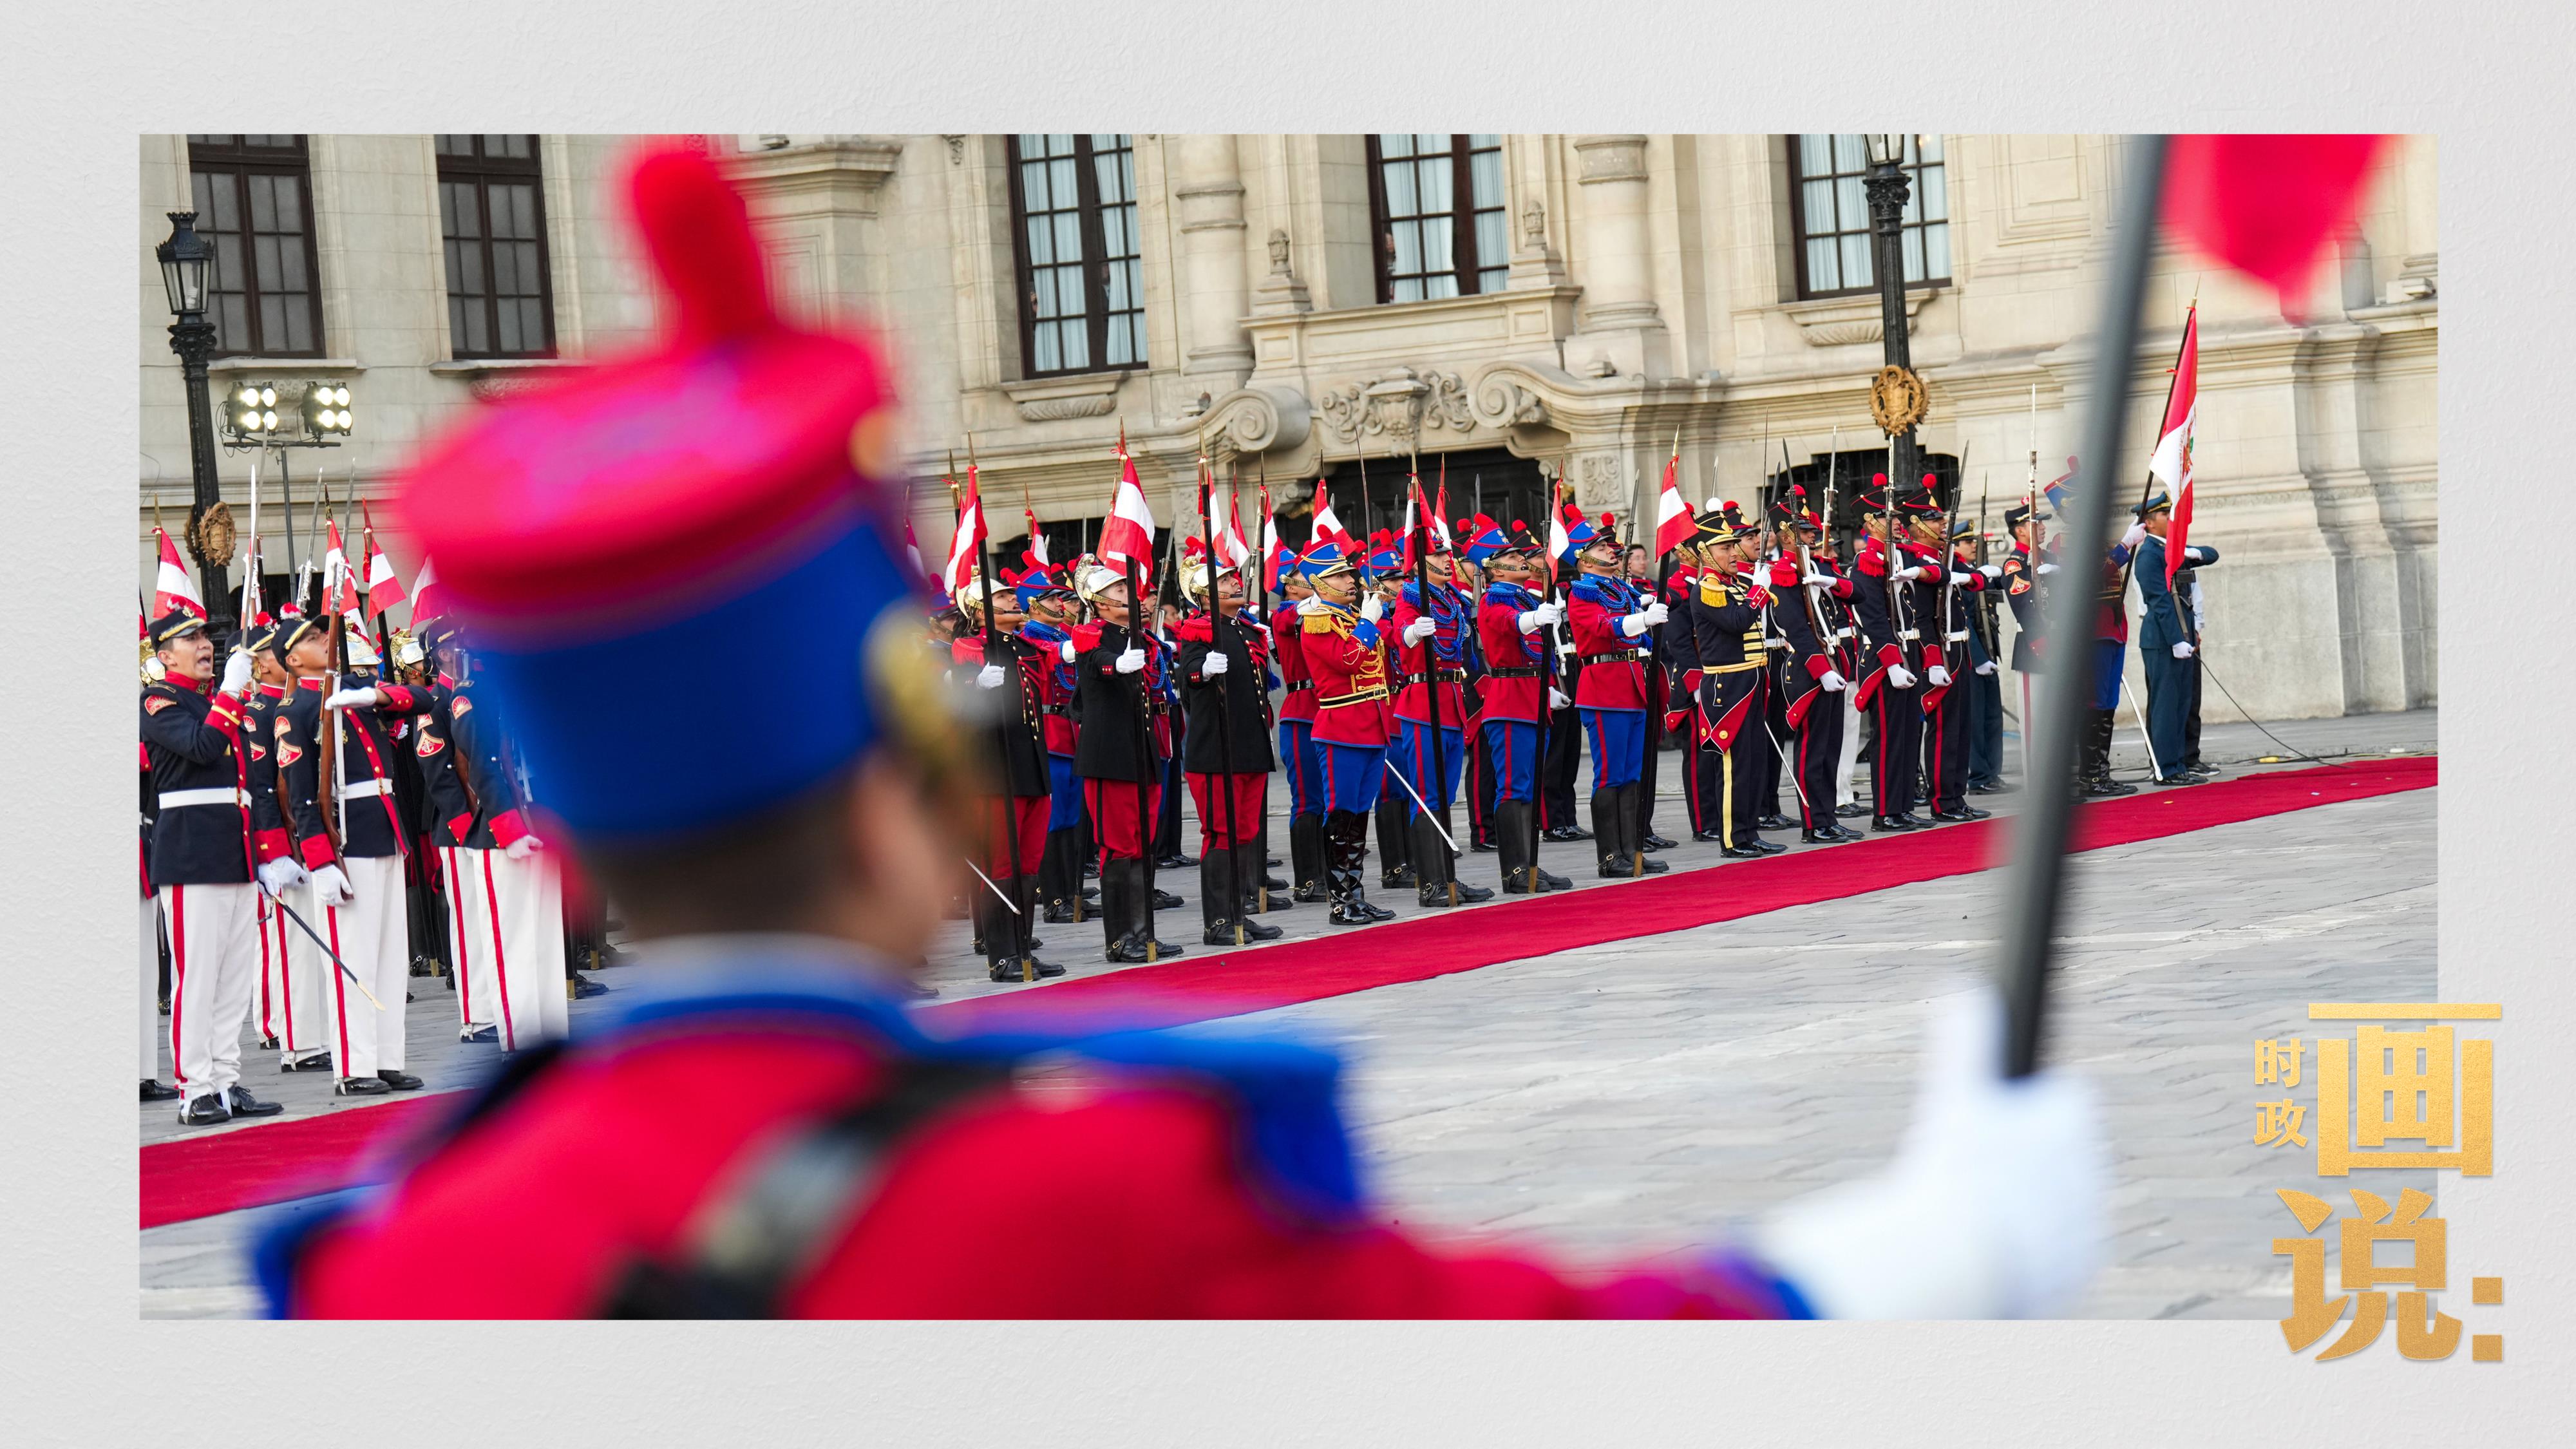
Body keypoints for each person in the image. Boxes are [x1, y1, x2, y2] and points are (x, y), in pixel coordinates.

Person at [265, 150, 2105, 1320]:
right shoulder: (1099, 1193)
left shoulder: (387, 1267)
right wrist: (1951, 1236)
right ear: (906, 796)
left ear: (571, 840)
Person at [276, 615, 435, 1094]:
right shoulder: (297, 708)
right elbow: (302, 794)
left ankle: (386, 1057)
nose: (323, 640)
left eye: (323, 633)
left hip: (385, 831)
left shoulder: (354, 690)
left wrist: (376, 696)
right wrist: (320, 859)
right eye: (310, 638)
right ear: (292, 659)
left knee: (389, 956)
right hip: (347, 839)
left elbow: (425, 697)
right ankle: (354, 1066)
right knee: (354, 958)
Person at [141, 609, 287, 1124]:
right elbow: (202, 748)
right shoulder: (158, 701)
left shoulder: (217, 703)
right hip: (191, 856)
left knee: (232, 979)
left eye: (205, 637)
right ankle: (194, 1089)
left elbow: (248, 786)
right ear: (164, 656)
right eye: (192, 640)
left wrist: (266, 857)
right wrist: (229, 693)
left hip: (234, 851)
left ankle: (225, 1080)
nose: (206, 646)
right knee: (197, 979)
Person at [951, 564, 1063, 980]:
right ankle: (1001, 957)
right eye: (1000, 598)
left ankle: (1024, 951)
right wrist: (974, 685)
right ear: (980, 609)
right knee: (1001, 865)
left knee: (1028, 864)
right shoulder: (969, 646)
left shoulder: (1023, 647)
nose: (1011, 601)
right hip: (995, 769)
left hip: (1030, 763)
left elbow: (1057, 668)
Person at [1173, 541, 1283, 945]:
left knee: (1243, 834)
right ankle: (1218, 920)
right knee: (1220, 833)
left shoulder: (1244, 630)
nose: (1235, 584)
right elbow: (1186, 680)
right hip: (1216, 749)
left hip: (1249, 746)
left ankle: (1239, 911)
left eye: (1234, 578)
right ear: (1204, 596)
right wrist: (1202, 669)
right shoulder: (1198, 630)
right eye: (1223, 582)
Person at [1074, 564, 1185, 963]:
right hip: (1110, 757)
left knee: (1142, 846)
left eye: (1127, 585)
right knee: (1118, 848)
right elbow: (1098, 661)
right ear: (1100, 602)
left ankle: (1144, 934)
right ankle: (1120, 939)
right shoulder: (1092, 635)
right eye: (1119, 588)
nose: (1128, 592)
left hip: (1143, 754)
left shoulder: (1138, 637)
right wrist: (1116, 664)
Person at [1388, 520, 1490, 908]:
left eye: (1447, 555)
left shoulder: (1451, 598)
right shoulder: (1412, 595)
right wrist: (1415, 631)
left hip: (1450, 698)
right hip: (1423, 699)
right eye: (1437, 555)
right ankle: (1432, 883)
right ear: (1420, 560)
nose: (1448, 561)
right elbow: (1400, 635)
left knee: (1444, 796)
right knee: (1427, 794)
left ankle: (1448, 875)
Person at [1300, 537, 1398, 925]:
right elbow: (1349, 662)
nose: (1349, 581)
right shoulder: (1318, 622)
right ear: (1320, 585)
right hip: (1342, 727)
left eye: (1347, 574)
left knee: (1359, 814)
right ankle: (1340, 901)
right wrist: (1370, 623)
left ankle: (1356, 894)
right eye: (1338, 577)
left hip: (1372, 725)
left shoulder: (1352, 617)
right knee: (1341, 814)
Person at [1564, 510, 1666, 877]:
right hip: (1605, 685)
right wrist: (1642, 619)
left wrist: (1649, 607)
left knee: (1632, 773)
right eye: (1602, 547)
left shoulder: (1620, 588)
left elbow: (1633, 611)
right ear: (1583, 556)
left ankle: (1632, 850)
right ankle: (1610, 857)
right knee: (1610, 775)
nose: (1612, 551)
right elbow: (1602, 627)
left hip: (1631, 682)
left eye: (1610, 546)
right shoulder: (1582, 592)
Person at [1473, 522, 1570, 895]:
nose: (1521, 559)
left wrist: (1547, 691)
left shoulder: (1526, 596)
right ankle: (1515, 871)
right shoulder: (1495, 598)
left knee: (1529, 787)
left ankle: (1530, 864)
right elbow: (1505, 624)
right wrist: (1532, 619)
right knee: (1514, 788)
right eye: (1513, 557)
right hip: (1510, 700)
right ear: (1496, 568)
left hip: (1531, 696)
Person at [1765, 489, 1861, 845]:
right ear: (1788, 534)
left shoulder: (1816, 566)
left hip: (1833, 660)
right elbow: (1794, 626)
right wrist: (1822, 669)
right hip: (1809, 668)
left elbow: (1858, 595)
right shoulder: (1783, 573)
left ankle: (1828, 817)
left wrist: (1832, 581)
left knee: (1831, 747)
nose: (1812, 535)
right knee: (1813, 748)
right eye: (1805, 531)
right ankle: (1814, 823)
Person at [1689, 509, 1783, 858]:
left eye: (1732, 546)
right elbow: (1739, 622)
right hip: (1727, 685)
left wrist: (1755, 587)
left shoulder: (1737, 584)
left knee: (1754, 762)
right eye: (1723, 548)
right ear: (1705, 554)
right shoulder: (1708, 589)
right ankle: (1732, 838)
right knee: (1733, 765)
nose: (1732, 554)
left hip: (1753, 679)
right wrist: (1759, 591)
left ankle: (1750, 832)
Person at [1012, 557, 1095, 924]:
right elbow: (1050, 659)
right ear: (1032, 603)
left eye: (1062, 598)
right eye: (1051, 599)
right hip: (1050, 732)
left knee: (1071, 817)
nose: (1061, 605)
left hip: (1072, 731)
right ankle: (1053, 898)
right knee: (1055, 819)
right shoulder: (1029, 637)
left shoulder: (1062, 634)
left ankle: (1070, 892)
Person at [1850, 477, 1932, 833]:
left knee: (1908, 734)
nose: (1897, 522)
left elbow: (1941, 570)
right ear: (1870, 523)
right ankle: (1884, 811)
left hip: (1909, 649)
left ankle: (1902, 806)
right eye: (1888, 517)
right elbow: (1873, 619)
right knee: (1888, 738)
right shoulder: (1867, 561)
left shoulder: (1901, 554)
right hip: (1886, 659)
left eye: (1897, 517)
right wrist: (1894, 663)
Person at [1915, 512, 2003, 823]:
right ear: (1919, 527)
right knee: (1943, 729)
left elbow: (1978, 581)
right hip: (1941, 650)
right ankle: (1941, 801)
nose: (1943, 526)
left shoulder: (1945, 557)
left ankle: (1957, 796)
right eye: (1935, 522)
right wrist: (1933, 661)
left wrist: (1962, 576)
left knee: (1961, 727)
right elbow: (1923, 619)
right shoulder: (1918, 561)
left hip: (1960, 647)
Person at [2133, 494, 2220, 786]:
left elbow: (2212, 554)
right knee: (2165, 706)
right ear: (2148, 523)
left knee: (2182, 704)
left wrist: (2193, 553)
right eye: (2163, 515)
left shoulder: (2172, 550)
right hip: (2162, 639)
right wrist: (2175, 640)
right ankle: (2165, 768)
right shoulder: (2149, 555)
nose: (2171, 519)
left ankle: (2178, 763)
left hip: (2182, 635)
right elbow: (2159, 602)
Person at [1270, 548, 1329, 904]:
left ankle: (1329, 872)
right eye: (1313, 578)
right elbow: (1298, 619)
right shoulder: (1285, 613)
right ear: (1291, 586)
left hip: (1332, 710)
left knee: (1329, 800)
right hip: (1302, 712)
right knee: (1308, 800)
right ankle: (1308, 879)